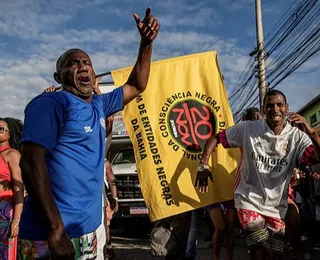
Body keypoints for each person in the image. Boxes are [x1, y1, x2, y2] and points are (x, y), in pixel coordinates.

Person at [18, 7, 160, 259]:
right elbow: (31, 162)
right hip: (49, 234)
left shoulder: (99, 104)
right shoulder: (50, 104)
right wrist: (56, 228)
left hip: (87, 232)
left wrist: (146, 44)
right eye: (73, 63)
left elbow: (136, 85)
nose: (82, 66)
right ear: (58, 76)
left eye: (87, 63)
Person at [195, 89, 320, 260]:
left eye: (279, 105)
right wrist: (203, 165)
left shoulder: (297, 136)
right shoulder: (248, 128)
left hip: (276, 206)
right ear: (263, 110)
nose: (275, 109)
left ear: (286, 108)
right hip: (249, 200)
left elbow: (316, 158)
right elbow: (216, 138)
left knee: (274, 253)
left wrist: (312, 132)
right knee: (260, 247)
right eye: (269, 106)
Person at [206, 107, 262, 260]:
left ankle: (229, 257)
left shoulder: (246, 137)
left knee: (230, 228)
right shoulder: (229, 134)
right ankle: (216, 256)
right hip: (213, 190)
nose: (257, 121)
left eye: (258, 118)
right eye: (253, 118)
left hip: (231, 190)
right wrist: (203, 164)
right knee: (220, 228)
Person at [0, 117, 24, 259]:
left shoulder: (12, 154)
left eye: (1, 129)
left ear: (10, 133)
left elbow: (18, 187)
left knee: (5, 254)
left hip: (5, 210)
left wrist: (16, 221)